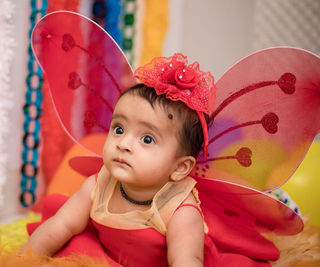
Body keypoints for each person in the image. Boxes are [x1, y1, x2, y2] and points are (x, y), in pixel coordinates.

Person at [22, 53, 215, 267]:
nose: (123, 144)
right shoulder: (98, 185)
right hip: (107, 258)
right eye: (119, 129)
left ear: (180, 167)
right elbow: (61, 225)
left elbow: (185, 261)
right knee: (72, 248)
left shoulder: (181, 211)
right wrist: (22, 261)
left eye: (147, 139)